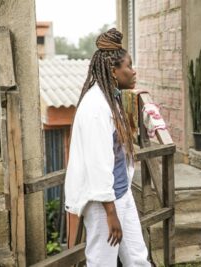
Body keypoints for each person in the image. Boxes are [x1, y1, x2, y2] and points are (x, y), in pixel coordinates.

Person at [64, 28, 151, 267]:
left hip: (121, 193)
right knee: (102, 262)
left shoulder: (110, 98)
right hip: (103, 202)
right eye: (129, 66)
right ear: (113, 71)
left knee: (137, 258)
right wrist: (111, 213)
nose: (133, 72)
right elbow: (98, 164)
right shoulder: (95, 107)